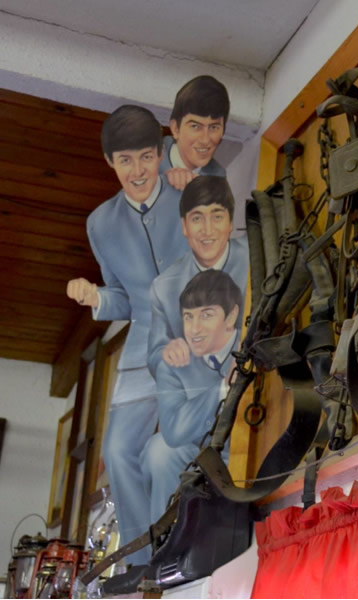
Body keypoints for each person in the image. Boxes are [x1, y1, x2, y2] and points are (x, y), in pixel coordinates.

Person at [65, 105, 190, 566]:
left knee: (176, 446)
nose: (137, 171)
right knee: (118, 452)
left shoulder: (188, 191)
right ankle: (141, 563)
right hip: (143, 348)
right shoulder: (100, 223)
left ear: (160, 153)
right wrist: (95, 297)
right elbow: (123, 298)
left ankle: (182, 540)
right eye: (125, 160)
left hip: (201, 337)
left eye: (146, 157)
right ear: (109, 162)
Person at [143, 270, 242, 522]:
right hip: (204, 463)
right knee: (159, 450)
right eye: (188, 317)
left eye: (207, 315)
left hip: (255, 456)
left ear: (231, 316)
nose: (194, 329)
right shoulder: (174, 363)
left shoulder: (251, 345)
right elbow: (173, 430)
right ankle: (166, 536)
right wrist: (222, 389)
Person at [147, 176, 248, 377]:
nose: (207, 230)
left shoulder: (256, 254)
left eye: (217, 216)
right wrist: (168, 352)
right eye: (197, 218)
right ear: (184, 226)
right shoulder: (163, 288)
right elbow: (154, 356)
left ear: (230, 222)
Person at [160, 75, 229, 190]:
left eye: (214, 127)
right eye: (195, 126)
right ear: (175, 128)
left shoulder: (218, 178)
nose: (205, 140)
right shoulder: (147, 157)